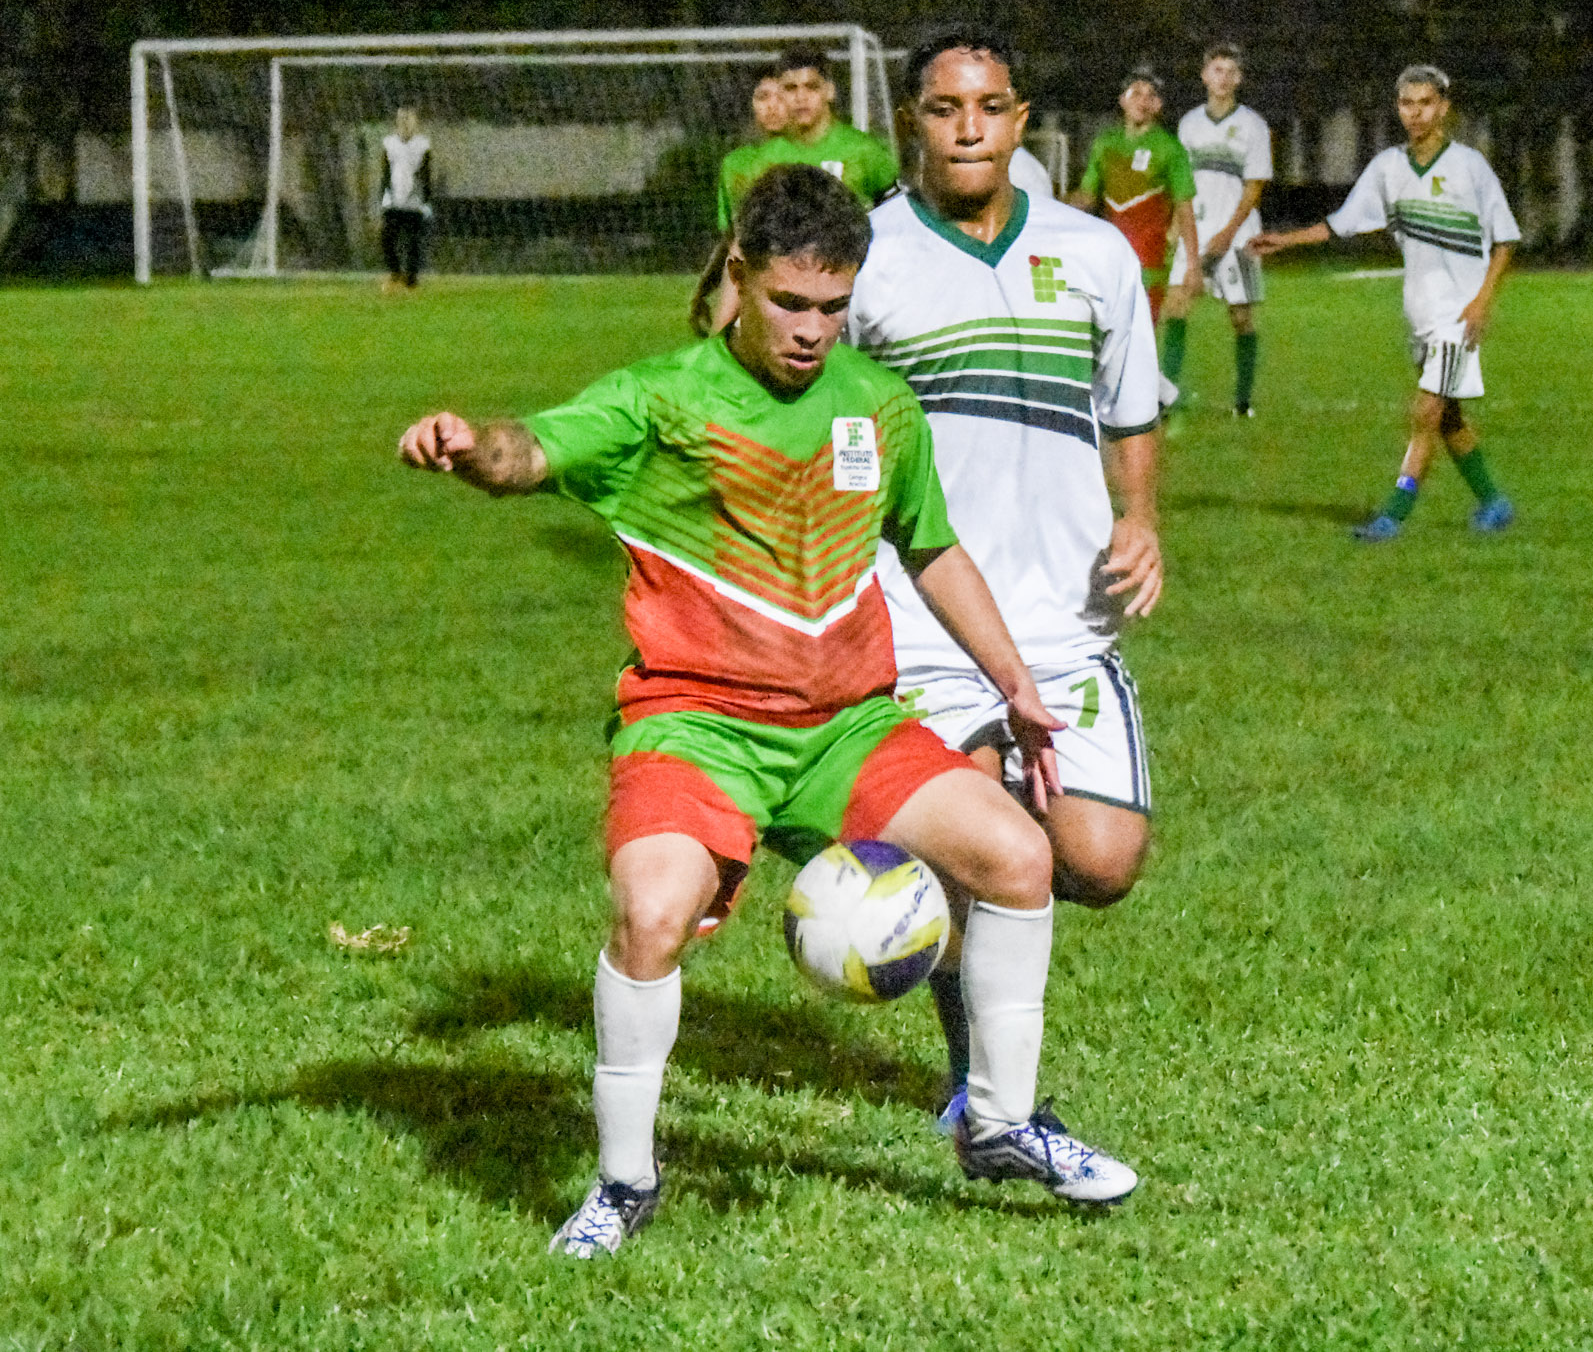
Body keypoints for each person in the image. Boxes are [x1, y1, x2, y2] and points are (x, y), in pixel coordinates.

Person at [398, 166, 1139, 1259]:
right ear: (738, 278)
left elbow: (928, 548)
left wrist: (1015, 686)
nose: (810, 331)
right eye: (790, 304)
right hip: (695, 726)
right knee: (650, 916)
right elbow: (531, 451)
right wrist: (472, 450)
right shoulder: (661, 401)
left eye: (833, 307)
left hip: (844, 727)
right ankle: (622, 1181)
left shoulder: (876, 409)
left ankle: (999, 1122)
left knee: (1016, 857)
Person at [846, 27, 1164, 1130]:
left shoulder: (1092, 254)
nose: (968, 127)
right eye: (944, 109)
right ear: (912, 126)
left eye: (989, 107)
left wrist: (1140, 519)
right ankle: (980, 1086)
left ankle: (944, 904)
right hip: (923, 614)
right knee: (984, 843)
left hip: (1065, 619)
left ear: (1021, 121)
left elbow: (1130, 408)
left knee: (1102, 858)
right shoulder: (867, 259)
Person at [1249, 64, 1519, 540]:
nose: (1415, 113)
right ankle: (1495, 503)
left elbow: (1505, 239)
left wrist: (1482, 301)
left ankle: (1392, 516)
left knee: (1425, 413)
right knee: (1449, 417)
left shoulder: (1469, 167)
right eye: (1406, 104)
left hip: (1457, 319)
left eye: (1425, 103)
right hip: (1420, 315)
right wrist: (1286, 241)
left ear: (1444, 108)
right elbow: (1341, 223)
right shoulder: (1388, 168)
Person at [699, 46, 904, 334]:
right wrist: (719, 328)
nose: (800, 97)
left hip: (861, 298)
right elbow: (742, 248)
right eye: (790, 88)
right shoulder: (761, 163)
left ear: (829, 91)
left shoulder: (864, 152)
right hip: (790, 304)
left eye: (811, 87)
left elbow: (897, 226)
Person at [1159, 44, 1272, 417]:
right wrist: (1176, 225)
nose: (1222, 78)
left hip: (1237, 235)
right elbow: (1182, 182)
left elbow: (1255, 186)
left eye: (1230, 71)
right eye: (1216, 70)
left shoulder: (1253, 126)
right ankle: (1168, 396)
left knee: (1241, 318)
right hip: (1197, 230)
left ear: (1238, 79)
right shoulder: (1188, 125)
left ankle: (1243, 401)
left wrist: (1229, 231)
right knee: (1176, 307)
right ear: (1204, 75)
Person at [1070, 65, 1201, 325]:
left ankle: (1150, 367)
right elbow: (1087, 195)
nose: (1143, 100)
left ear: (1158, 105)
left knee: (1141, 330)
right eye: (1136, 93)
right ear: (1122, 100)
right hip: (1109, 252)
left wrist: (1193, 265)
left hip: (1150, 254)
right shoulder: (1106, 142)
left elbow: (1184, 207)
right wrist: (1055, 209)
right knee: (1105, 328)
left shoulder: (1169, 149)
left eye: (1150, 95)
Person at [690, 64, 792, 335]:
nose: (772, 106)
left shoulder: (818, 156)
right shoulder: (736, 163)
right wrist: (703, 289)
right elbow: (733, 237)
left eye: (781, 97)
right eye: (762, 97)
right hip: (754, 281)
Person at [379, 106, 433, 291]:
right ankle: (395, 273)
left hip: (414, 200)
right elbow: (385, 171)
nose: (405, 123)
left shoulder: (422, 145)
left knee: (414, 242)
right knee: (387, 238)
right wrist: (384, 195)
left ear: (415, 122)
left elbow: (426, 174)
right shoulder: (389, 143)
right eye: (402, 119)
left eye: (409, 119)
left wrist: (426, 200)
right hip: (394, 199)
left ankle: (411, 279)